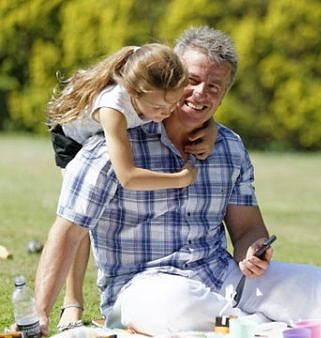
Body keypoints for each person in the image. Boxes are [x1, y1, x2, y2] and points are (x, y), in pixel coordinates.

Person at [34, 26, 321, 337]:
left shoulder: (228, 147)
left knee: (311, 283)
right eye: (191, 80)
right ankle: (274, 327)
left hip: (224, 278)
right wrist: (39, 317)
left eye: (215, 86)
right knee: (178, 307)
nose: (201, 94)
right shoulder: (111, 149)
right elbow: (66, 234)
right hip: (141, 288)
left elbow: (247, 227)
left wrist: (254, 250)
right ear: (168, 78)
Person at [45, 42, 217, 331]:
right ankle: (72, 304)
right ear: (135, 92)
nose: (169, 111)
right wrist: (180, 179)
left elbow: (191, 110)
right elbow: (127, 176)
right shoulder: (113, 107)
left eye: (171, 104)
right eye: (160, 107)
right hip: (73, 137)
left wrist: (209, 128)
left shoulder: (156, 72)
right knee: (81, 220)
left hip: (121, 124)